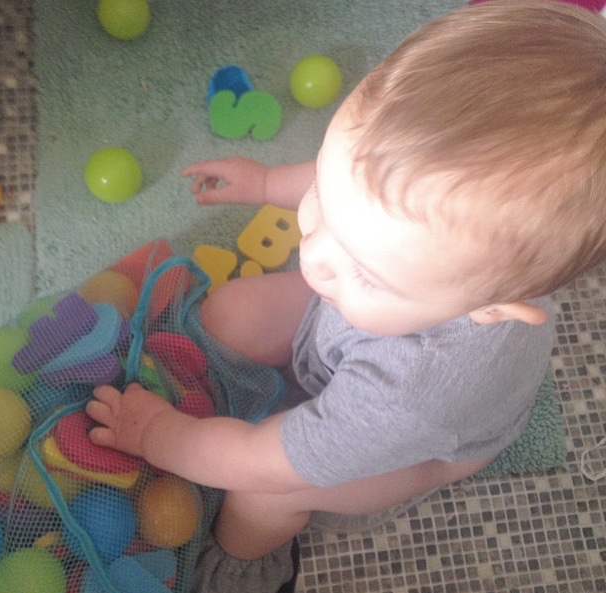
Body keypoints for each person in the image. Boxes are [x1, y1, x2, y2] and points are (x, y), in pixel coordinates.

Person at [85, 1, 606, 591]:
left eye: (366, 270)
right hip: (362, 332)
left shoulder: (409, 396)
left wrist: (158, 435)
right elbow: (345, 182)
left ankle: (239, 565)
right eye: (327, 205)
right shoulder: (414, 250)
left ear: (489, 308)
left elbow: (264, 461)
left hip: (422, 451)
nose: (313, 255)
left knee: (261, 494)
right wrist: (267, 183)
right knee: (231, 313)